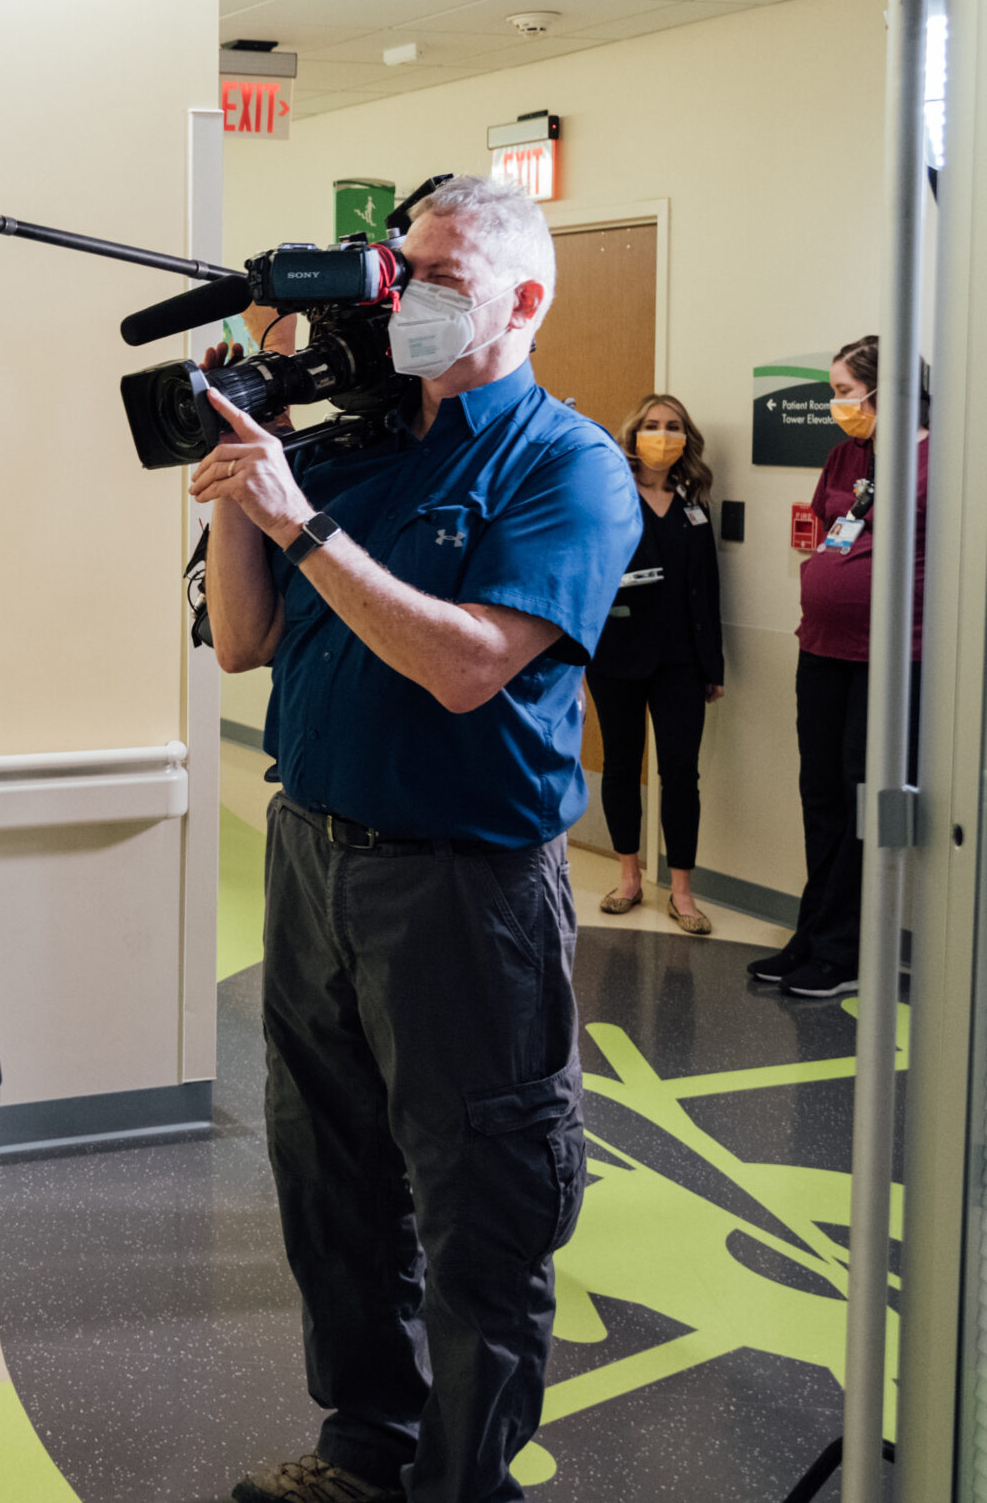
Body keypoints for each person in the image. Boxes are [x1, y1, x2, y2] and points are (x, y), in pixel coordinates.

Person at [194, 176, 641, 1503]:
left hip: (462, 886)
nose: (414, 294)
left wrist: (299, 519)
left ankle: (462, 1479)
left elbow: (467, 669)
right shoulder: (361, 442)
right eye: (407, 268)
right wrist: (245, 459)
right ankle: (366, 1446)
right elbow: (243, 639)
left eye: (444, 273)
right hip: (313, 852)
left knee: (480, 1202)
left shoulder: (567, 464)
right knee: (329, 1180)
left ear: (526, 296)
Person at [748, 334, 927, 1000]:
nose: (837, 404)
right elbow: (828, 529)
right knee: (819, 793)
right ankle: (814, 930)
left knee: (859, 799)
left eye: (847, 392)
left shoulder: (938, 460)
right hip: (820, 646)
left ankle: (847, 949)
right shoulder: (847, 455)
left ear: (891, 391)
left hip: (890, 657)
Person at [586, 394, 724, 934]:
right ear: (633, 433)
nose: (661, 435)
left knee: (681, 775)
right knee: (622, 767)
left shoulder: (694, 500)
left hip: (682, 662)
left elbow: (708, 587)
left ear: (686, 438)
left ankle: (682, 891)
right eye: (651, 425)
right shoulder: (610, 493)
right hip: (616, 654)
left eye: (672, 427)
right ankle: (629, 878)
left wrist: (712, 666)